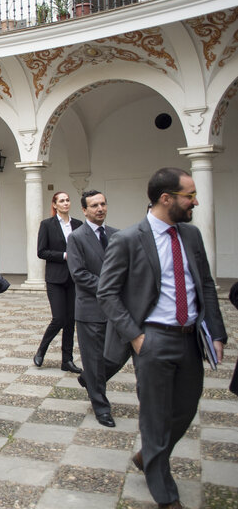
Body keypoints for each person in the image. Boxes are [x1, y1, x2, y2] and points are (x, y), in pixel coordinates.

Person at [97, 168, 227, 509]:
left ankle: (149, 456)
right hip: (152, 338)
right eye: (189, 195)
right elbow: (107, 293)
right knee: (154, 415)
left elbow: (207, 285)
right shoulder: (127, 239)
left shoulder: (192, 235)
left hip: (190, 338)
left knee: (186, 407)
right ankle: (165, 493)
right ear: (166, 198)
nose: (195, 201)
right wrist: (136, 337)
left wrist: (216, 331)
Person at [66, 190, 128, 428]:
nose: (100, 208)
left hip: (117, 310)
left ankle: (88, 380)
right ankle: (101, 407)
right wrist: (110, 288)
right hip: (90, 308)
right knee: (92, 360)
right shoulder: (77, 237)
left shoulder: (117, 235)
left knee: (118, 354)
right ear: (84, 210)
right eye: (94, 205)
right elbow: (79, 274)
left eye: (103, 204)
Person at [34, 191, 83, 373]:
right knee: (59, 318)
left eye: (67, 200)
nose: (65, 203)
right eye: (61, 201)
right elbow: (41, 251)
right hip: (55, 278)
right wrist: (64, 255)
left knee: (71, 320)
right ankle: (42, 350)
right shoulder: (47, 225)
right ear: (54, 205)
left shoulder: (78, 224)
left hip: (73, 278)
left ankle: (67, 360)